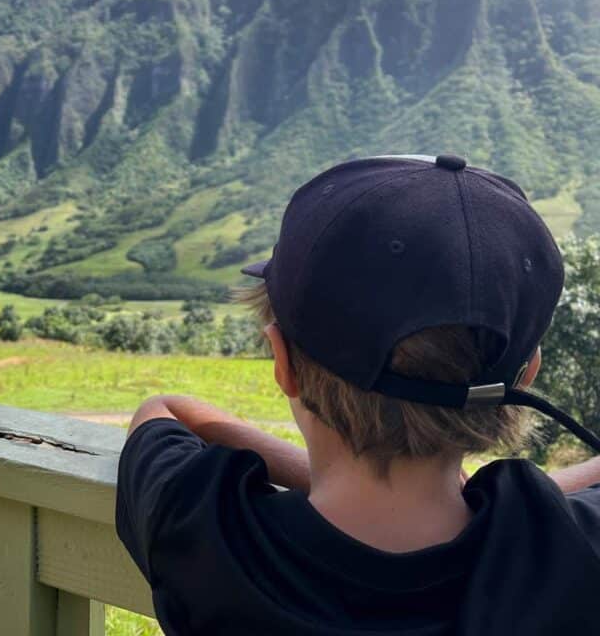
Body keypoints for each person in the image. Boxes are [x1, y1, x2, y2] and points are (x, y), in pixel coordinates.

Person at [116, 155, 600, 635]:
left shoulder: (201, 532)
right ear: (526, 374)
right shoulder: (571, 554)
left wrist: (318, 477)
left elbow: (166, 411)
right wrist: (522, 507)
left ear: (283, 364)